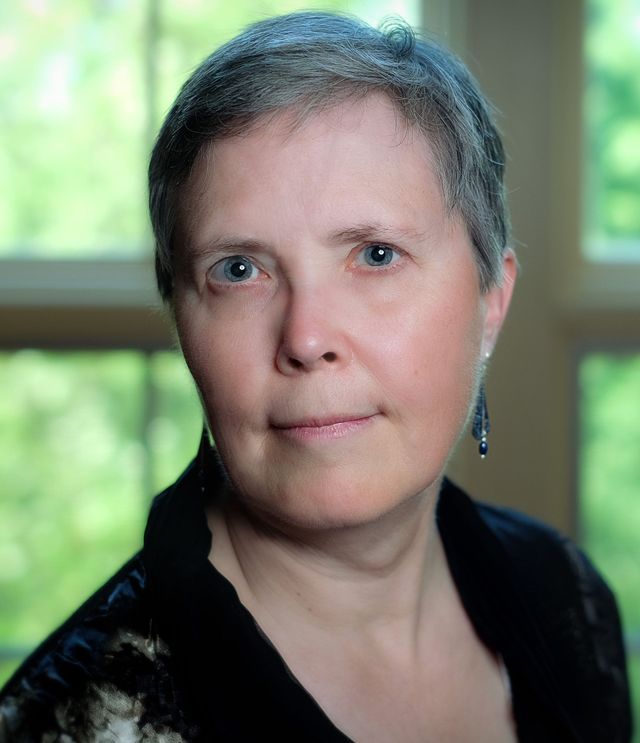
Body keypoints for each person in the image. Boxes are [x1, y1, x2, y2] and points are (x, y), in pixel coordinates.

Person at [0, 11, 632, 742]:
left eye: (375, 255)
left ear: (490, 302)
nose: (305, 338)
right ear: (181, 321)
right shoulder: (73, 720)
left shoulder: (568, 600)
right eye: (239, 270)